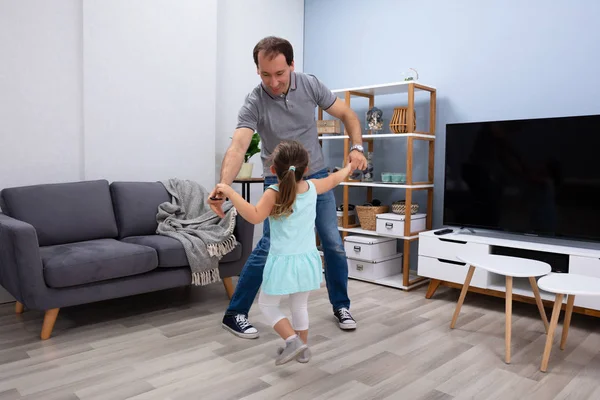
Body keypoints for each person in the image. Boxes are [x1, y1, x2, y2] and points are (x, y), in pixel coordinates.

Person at [209, 36, 367, 339]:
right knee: (269, 246)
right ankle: (236, 312)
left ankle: (341, 306)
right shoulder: (254, 101)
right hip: (277, 181)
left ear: (292, 65)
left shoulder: (310, 85)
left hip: (315, 176)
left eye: (280, 74)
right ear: (258, 71)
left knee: (332, 243)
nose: (274, 82)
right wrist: (223, 185)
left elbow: (347, 114)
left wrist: (357, 147)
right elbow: (239, 144)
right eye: (265, 74)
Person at [214, 141, 352, 364]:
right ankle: (303, 350)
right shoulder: (313, 187)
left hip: (282, 264)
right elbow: (335, 178)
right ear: (306, 170)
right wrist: (349, 167)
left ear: (272, 170)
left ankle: (292, 341)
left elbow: (255, 215)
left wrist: (229, 190)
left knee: (267, 305)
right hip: (307, 261)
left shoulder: (273, 192)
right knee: (299, 306)